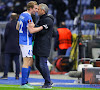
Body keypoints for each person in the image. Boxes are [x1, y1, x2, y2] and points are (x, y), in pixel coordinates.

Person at [16, 1, 43, 89]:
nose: (36, 10)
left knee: (29, 59)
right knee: (26, 61)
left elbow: (17, 27)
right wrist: (41, 27)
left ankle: (26, 81)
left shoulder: (22, 14)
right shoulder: (28, 17)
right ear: (30, 8)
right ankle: (24, 83)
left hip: (23, 39)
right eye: (35, 8)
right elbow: (31, 31)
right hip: (26, 41)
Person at [30, 3, 54, 88]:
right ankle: (48, 81)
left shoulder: (48, 20)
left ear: (43, 11)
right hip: (38, 44)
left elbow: (42, 31)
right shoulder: (42, 19)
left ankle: (48, 82)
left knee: (43, 63)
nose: (37, 11)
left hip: (44, 45)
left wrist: (34, 26)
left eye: (38, 9)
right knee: (38, 64)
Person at [0, 13, 20, 80]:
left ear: (10, 18)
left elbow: (5, 35)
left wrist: (6, 42)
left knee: (7, 61)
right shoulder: (19, 25)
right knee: (17, 61)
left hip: (8, 45)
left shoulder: (9, 24)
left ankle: (5, 75)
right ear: (16, 18)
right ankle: (17, 75)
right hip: (17, 45)